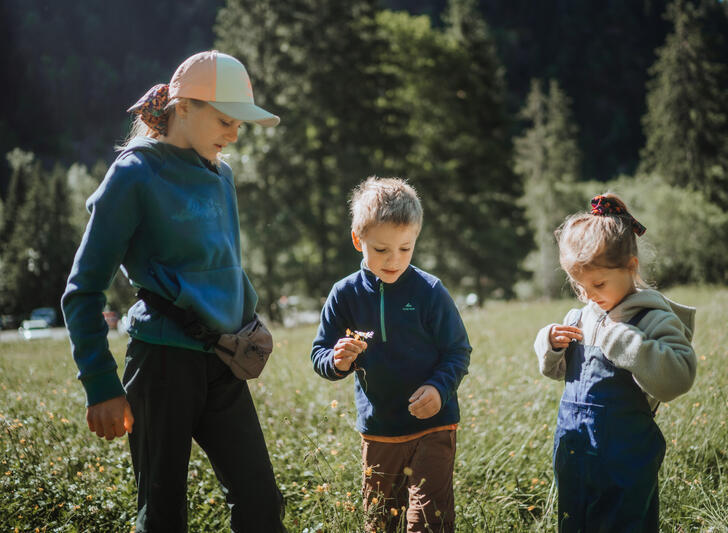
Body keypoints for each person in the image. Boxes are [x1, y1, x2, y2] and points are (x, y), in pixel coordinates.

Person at [62, 50, 285, 533]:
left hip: (224, 362)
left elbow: (224, 267)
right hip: (162, 364)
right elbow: (82, 291)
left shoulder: (221, 175)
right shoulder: (133, 174)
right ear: (184, 107)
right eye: (226, 120)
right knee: (162, 516)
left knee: (262, 503)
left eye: (240, 124)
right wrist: (101, 385)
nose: (234, 134)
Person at [310, 177, 472, 532]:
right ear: (358, 240)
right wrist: (337, 361)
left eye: (405, 248)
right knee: (380, 521)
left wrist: (438, 389)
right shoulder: (344, 295)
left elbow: (458, 351)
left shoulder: (430, 291)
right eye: (381, 250)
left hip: (434, 425)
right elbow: (319, 353)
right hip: (379, 431)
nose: (394, 260)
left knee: (426, 522)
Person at [533, 193, 697, 532]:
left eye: (598, 283)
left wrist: (624, 342)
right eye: (579, 286)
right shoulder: (582, 317)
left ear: (630, 268)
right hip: (575, 454)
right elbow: (556, 371)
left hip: (626, 459)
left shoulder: (650, 318)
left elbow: (679, 376)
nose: (589, 294)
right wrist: (550, 343)